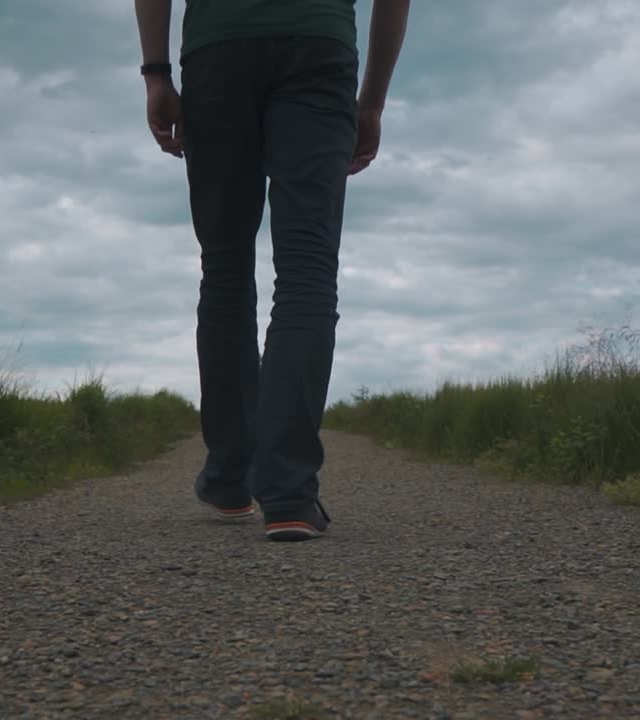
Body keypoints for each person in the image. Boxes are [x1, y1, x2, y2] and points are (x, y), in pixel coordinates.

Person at [134, 0, 409, 541]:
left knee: (225, 266)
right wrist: (371, 102)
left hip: (218, 47)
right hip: (320, 47)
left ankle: (232, 479)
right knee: (308, 266)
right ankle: (288, 493)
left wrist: (156, 74)